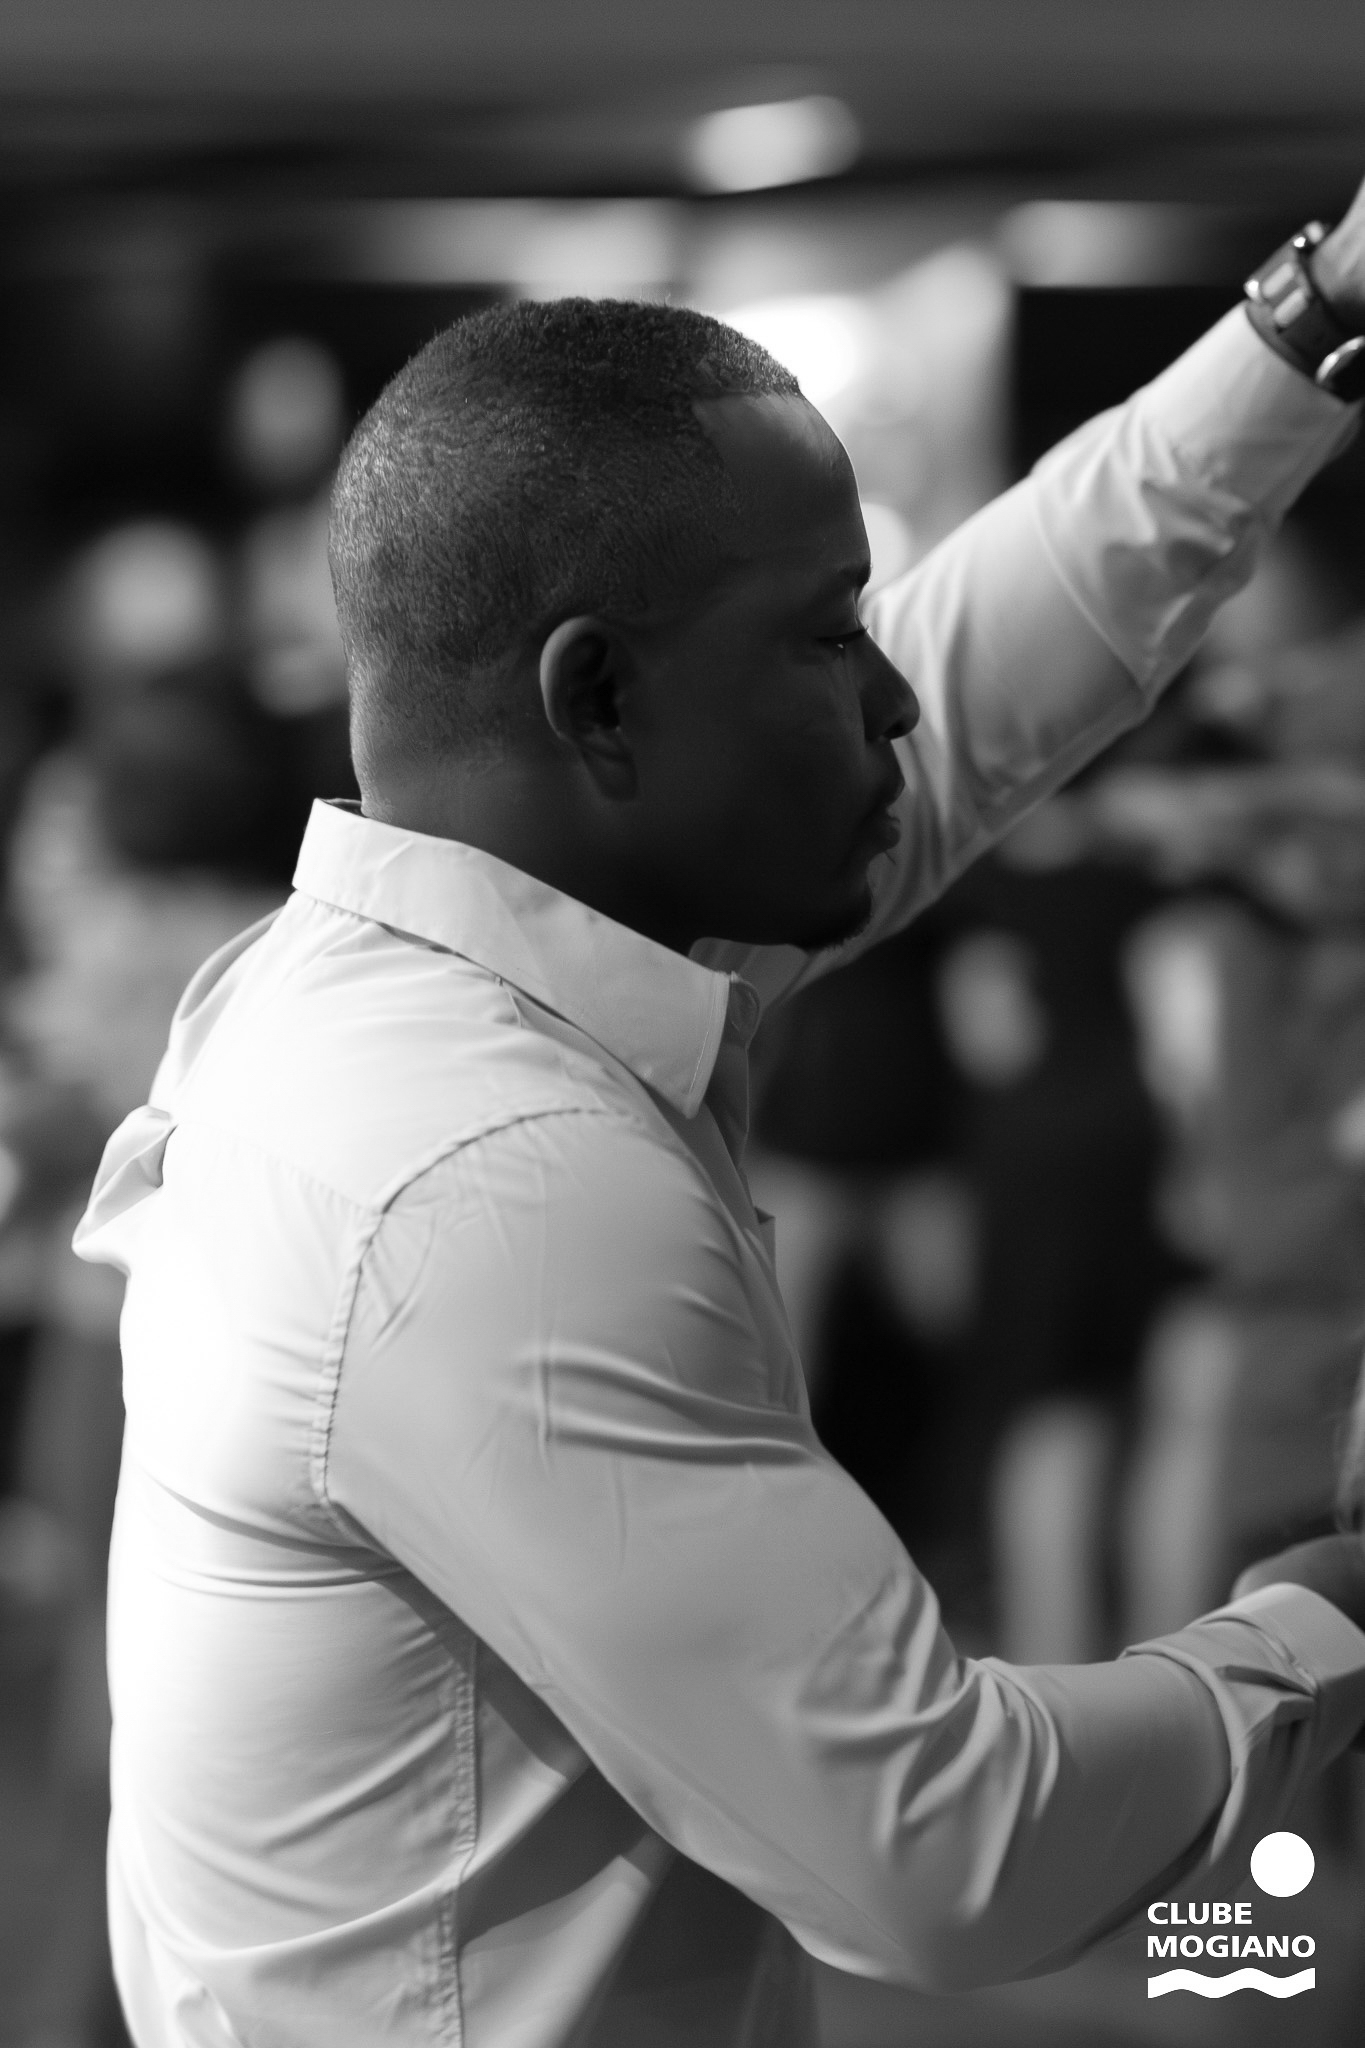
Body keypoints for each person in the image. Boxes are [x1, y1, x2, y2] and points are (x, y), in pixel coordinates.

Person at [74, 189, 1365, 2048]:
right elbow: (943, 1850)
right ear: (597, 697)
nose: (892, 694)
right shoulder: (488, 1181)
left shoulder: (385, 982)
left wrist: (1309, 320)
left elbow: (982, 689)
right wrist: (1326, 1620)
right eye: (829, 636)